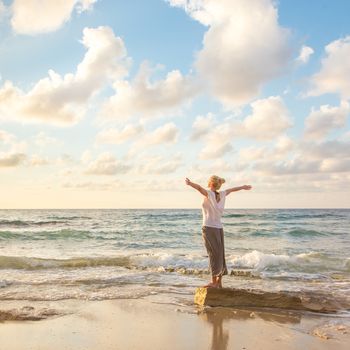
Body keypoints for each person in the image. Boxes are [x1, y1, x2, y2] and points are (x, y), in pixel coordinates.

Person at [185, 175, 252, 288]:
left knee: (213, 254)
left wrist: (190, 184)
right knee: (220, 255)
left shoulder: (209, 193)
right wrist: (243, 187)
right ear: (218, 184)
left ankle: (214, 282)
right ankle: (219, 283)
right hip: (219, 228)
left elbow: (199, 188)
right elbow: (233, 189)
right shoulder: (223, 194)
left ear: (211, 183)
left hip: (209, 228)